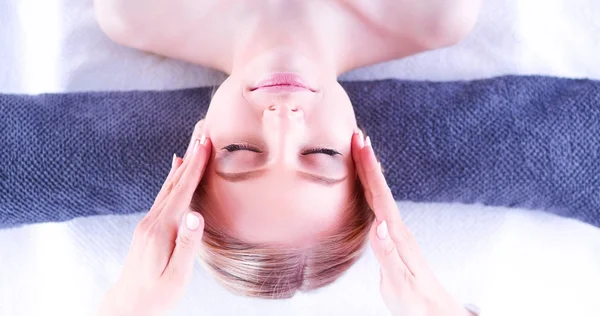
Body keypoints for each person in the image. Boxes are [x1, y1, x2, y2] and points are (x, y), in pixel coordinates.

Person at [94, 0, 481, 315]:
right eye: (321, 154)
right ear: (366, 160)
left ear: (200, 148)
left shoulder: (137, 13)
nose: (282, 119)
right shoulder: (434, 13)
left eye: (241, 152)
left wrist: (128, 308)